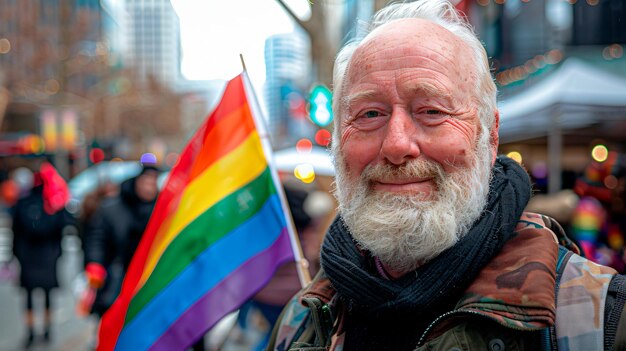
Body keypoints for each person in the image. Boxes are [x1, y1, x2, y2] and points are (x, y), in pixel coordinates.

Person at [267, 1, 626, 350]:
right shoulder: (300, 323)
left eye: (432, 111)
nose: (396, 145)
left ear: (489, 135)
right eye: (370, 114)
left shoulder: (599, 319)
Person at [80, 164, 159, 317]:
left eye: (153, 182)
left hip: (147, 279)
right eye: (146, 181)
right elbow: (97, 239)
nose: (150, 187)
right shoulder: (111, 208)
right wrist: (95, 263)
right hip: (117, 277)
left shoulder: (159, 208)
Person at [11, 165, 72, 347]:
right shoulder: (52, 204)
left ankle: (30, 333)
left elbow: (16, 231)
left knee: (29, 295)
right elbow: (62, 227)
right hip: (48, 254)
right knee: (46, 294)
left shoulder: (22, 203)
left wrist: (16, 254)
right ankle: (46, 330)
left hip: (28, 254)